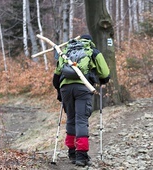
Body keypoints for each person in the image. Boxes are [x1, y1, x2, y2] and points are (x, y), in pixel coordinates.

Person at [53, 34, 110, 167]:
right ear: (90, 42)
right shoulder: (93, 52)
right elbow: (105, 74)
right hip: (83, 88)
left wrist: (60, 90)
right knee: (81, 120)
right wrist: (100, 79)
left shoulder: (67, 51)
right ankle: (81, 156)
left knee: (71, 119)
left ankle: (72, 152)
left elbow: (56, 76)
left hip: (65, 88)